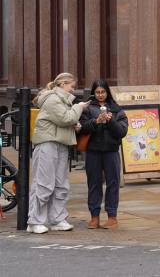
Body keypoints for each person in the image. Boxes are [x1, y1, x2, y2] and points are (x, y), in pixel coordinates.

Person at [28, 73, 90, 234]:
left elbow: (65, 120)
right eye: (72, 87)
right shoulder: (52, 99)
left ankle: (57, 219)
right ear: (62, 84)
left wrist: (74, 123)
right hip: (47, 144)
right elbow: (65, 118)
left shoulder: (62, 101)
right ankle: (35, 221)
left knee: (61, 184)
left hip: (61, 143)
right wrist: (79, 108)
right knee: (44, 183)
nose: (73, 90)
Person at [79, 79, 128, 229]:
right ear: (93, 93)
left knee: (113, 183)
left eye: (103, 92)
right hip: (93, 151)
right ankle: (94, 216)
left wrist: (110, 120)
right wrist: (96, 121)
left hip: (111, 151)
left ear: (107, 93)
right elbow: (81, 129)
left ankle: (112, 216)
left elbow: (122, 131)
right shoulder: (87, 109)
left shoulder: (116, 109)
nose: (100, 95)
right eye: (97, 92)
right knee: (94, 183)